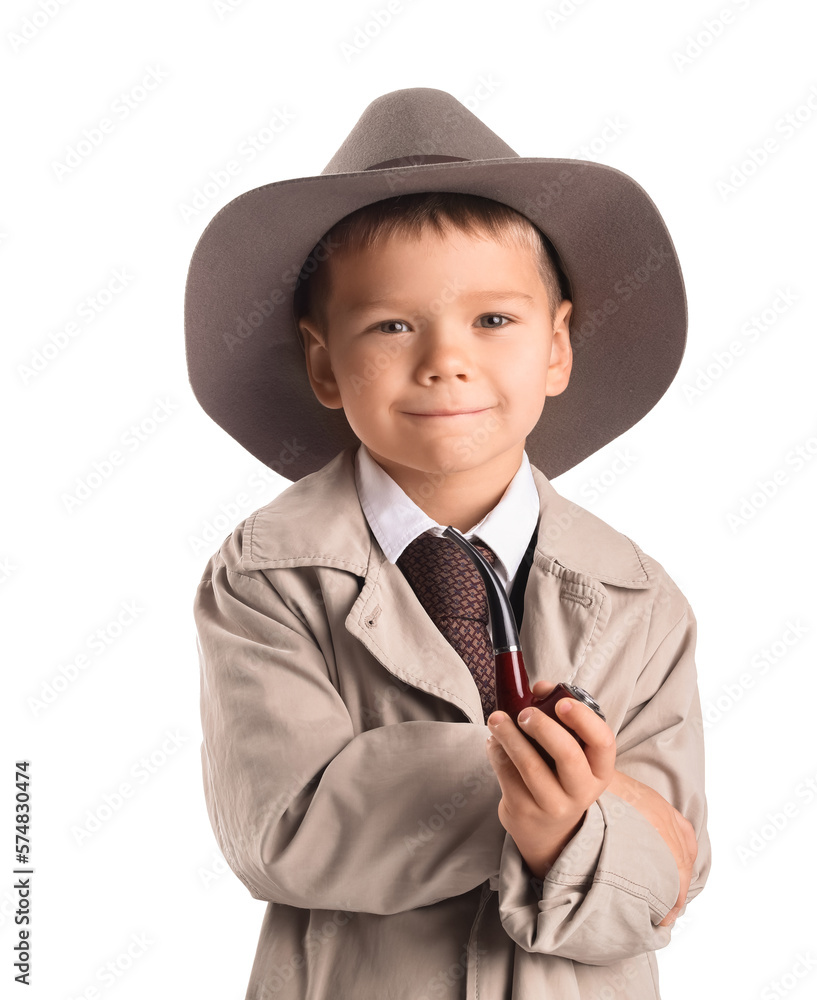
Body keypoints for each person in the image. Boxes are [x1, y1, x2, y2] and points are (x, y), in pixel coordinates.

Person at [186, 87, 710, 1000]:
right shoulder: (268, 576)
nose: (444, 359)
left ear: (556, 348)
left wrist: (586, 834)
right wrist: (575, 788)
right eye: (391, 325)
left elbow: (668, 878)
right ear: (322, 362)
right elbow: (285, 825)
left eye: (493, 321)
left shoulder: (636, 598)